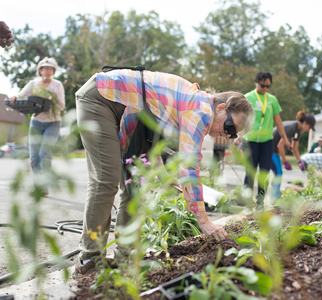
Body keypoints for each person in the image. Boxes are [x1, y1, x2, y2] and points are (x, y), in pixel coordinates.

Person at [74, 68, 253, 273]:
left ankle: (125, 255)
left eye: (232, 133)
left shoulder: (192, 105)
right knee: (106, 180)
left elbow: (156, 134)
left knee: (135, 186)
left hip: (126, 114)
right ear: (221, 107)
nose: (227, 133)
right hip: (102, 98)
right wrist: (203, 220)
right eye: (229, 126)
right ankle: (89, 259)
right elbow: (189, 165)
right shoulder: (201, 109)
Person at [242, 72, 290, 209]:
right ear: (256, 82)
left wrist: (285, 139)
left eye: (268, 86)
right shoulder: (248, 97)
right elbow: (242, 119)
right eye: (262, 85)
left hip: (267, 141)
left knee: (264, 172)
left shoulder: (272, 100)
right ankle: (247, 201)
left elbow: (278, 122)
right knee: (250, 171)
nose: (265, 89)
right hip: (250, 140)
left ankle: (260, 202)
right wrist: (238, 136)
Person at [11, 57, 65, 174]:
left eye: (50, 69)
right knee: (34, 156)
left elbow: (62, 106)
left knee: (44, 153)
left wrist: (49, 100)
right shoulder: (33, 83)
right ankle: (38, 185)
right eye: (44, 69)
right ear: (40, 71)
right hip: (36, 122)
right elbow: (21, 95)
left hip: (53, 122)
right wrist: (15, 97)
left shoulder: (57, 85)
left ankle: (44, 183)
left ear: (53, 71)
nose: (47, 71)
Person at [271, 111, 316, 201]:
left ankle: (275, 196)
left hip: (274, 151)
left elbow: (294, 148)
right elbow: (280, 146)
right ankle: (275, 198)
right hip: (269, 148)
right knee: (278, 173)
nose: (309, 129)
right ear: (306, 123)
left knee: (278, 173)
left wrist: (300, 161)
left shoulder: (298, 131)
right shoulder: (291, 128)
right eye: (310, 127)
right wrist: (285, 161)